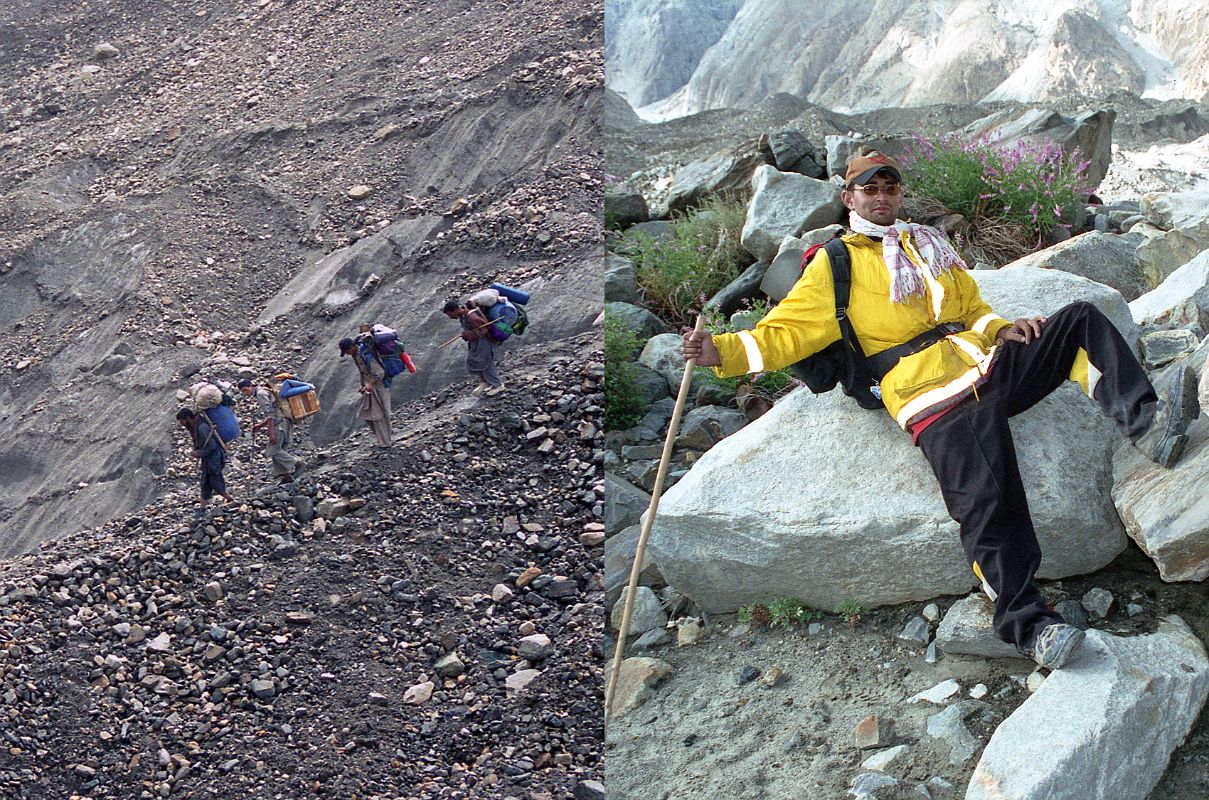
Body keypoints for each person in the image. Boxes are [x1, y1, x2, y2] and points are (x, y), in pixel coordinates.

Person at [682, 150, 1202, 671]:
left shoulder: (924, 243)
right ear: (849, 198)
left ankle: (1148, 424)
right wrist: (719, 352)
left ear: (899, 195)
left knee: (1077, 323)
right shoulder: (836, 263)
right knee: (988, 501)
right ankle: (1027, 627)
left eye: (890, 188)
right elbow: (784, 334)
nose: (881, 197)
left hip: (987, 364)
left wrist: (1001, 329)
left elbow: (968, 309)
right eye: (870, 189)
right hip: (931, 396)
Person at [237, 378, 303, 484]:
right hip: (285, 420)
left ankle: (296, 463)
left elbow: (270, 414)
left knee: (273, 450)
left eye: (245, 390)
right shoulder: (265, 390)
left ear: (250, 386)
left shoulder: (260, 394)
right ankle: (286, 475)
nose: (245, 393)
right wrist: (260, 425)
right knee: (279, 449)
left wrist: (271, 433)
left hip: (279, 423)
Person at [175, 408, 235, 516]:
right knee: (205, 482)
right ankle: (202, 508)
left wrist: (199, 453)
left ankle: (231, 500)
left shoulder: (202, 428)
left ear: (188, 418)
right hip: (209, 459)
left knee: (214, 481)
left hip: (214, 458)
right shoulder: (196, 426)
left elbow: (212, 446)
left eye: (182, 421)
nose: (182, 424)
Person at [443, 299, 504, 396]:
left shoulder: (472, 316)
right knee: (472, 361)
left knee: (486, 363)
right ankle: (486, 381)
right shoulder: (462, 316)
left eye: (450, 314)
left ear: (455, 310)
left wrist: (469, 335)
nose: (450, 317)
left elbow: (484, 330)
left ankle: (498, 385)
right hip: (475, 343)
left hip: (484, 342)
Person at [338, 337, 392, 447]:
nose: (348, 354)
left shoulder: (365, 354)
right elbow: (362, 371)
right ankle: (383, 438)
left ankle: (385, 443)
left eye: (348, 351)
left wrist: (370, 385)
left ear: (353, 347)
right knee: (367, 411)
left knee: (379, 414)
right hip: (369, 386)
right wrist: (362, 385)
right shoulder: (356, 356)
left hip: (378, 386)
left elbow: (380, 373)